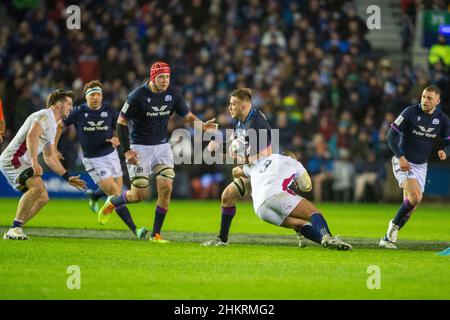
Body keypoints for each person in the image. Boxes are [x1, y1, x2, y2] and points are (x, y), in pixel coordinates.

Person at [98, 61, 217, 242]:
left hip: (162, 147)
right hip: (139, 148)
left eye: (167, 77)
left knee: (166, 187)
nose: (164, 80)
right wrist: (127, 151)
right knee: (138, 195)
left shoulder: (173, 93)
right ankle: (113, 202)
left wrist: (202, 125)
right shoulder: (137, 96)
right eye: (161, 77)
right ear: (153, 77)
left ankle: (156, 234)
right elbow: (121, 122)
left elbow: (187, 117)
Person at [56, 80, 147, 239]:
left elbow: (119, 128)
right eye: (92, 95)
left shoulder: (109, 111)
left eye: (98, 94)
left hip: (111, 155)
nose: (96, 97)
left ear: (102, 96)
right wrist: (54, 147)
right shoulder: (78, 112)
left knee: (116, 194)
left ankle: (95, 195)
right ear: (86, 97)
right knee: (115, 193)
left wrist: (116, 138)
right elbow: (59, 125)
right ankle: (136, 230)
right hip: (93, 159)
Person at [0, 89, 86, 240]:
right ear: (58, 104)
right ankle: (15, 228)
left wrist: (67, 177)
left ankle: (14, 229)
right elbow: (32, 135)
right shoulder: (45, 115)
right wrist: (34, 161)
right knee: (37, 186)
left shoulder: (52, 125)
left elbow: (50, 157)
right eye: (69, 104)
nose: (71, 108)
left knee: (43, 197)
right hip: (14, 159)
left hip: (22, 160)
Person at [229, 151, 352, 250]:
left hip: (260, 208)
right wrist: (296, 182)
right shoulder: (293, 162)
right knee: (312, 212)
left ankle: (323, 241)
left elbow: (236, 172)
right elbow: (307, 186)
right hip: (275, 194)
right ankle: (328, 236)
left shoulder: (263, 160)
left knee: (299, 224)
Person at [202, 88, 275, 246]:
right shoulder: (241, 120)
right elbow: (235, 143)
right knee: (227, 196)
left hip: (265, 173)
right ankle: (222, 239)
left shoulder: (255, 124)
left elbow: (258, 157)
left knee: (279, 214)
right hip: (254, 172)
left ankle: (305, 229)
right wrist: (219, 145)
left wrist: (231, 157)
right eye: (229, 104)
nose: (229, 107)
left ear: (243, 106)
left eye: (233, 104)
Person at [381, 86, 450, 249]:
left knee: (411, 207)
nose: (425, 100)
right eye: (424, 97)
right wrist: (401, 157)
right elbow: (390, 136)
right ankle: (393, 224)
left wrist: (445, 151)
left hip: (421, 166)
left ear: (437, 101)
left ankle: (387, 238)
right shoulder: (410, 112)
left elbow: (448, 142)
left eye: (429, 98)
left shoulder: (442, 119)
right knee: (416, 197)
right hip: (402, 160)